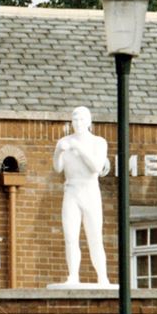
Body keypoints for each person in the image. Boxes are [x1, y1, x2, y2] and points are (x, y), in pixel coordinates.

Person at [53, 106, 111, 285]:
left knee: (95, 238)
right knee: (70, 237)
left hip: (90, 190)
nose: (77, 124)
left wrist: (78, 147)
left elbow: (96, 166)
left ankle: (102, 276)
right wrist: (59, 151)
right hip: (71, 190)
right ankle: (73, 275)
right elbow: (58, 168)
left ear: (88, 122)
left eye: (81, 120)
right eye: (75, 120)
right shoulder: (64, 141)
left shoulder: (98, 142)